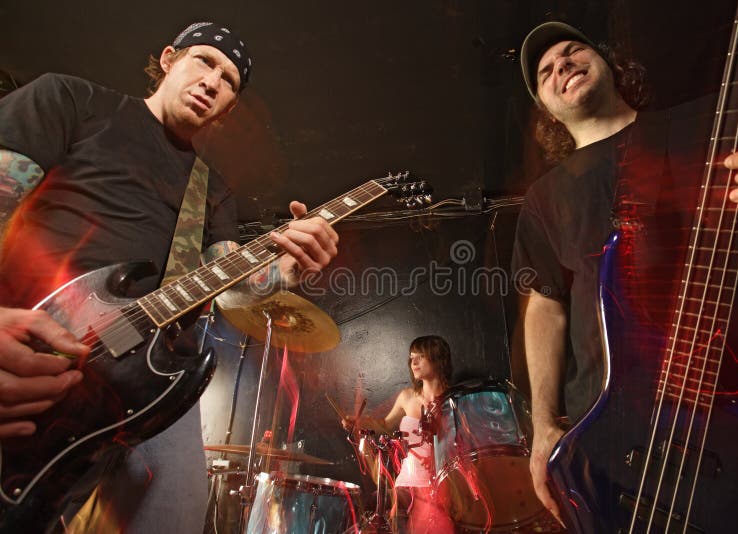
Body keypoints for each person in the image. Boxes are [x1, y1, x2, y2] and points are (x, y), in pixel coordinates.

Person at [0, 21, 338, 532]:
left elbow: (232, 284)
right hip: (32, 340)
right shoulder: (72, 100)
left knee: (178, 511)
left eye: (228, 81)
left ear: (228, 108)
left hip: (147, 374)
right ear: (167, 59)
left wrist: (286, 269)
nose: (212, 82)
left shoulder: (212, 190)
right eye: (204, 61)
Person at [511, 20, 738, 524]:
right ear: (545, 110)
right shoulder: (543, 198)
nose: (562, 66)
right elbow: (545, 303)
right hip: (613, 447)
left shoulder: (714, 120)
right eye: (545, 71)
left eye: (574, 50)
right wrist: (542, 428)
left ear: (610, 64)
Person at [343, 335, 455, 534]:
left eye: (420, 356)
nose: (413, 362)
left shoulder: (453, 400)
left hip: (442, 487)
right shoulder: (407, 397)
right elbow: (384, 424)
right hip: (407, 485)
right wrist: (358, 421)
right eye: (411, 358)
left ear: (438, 358)